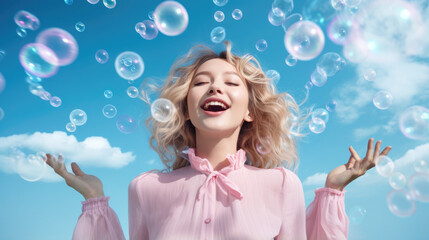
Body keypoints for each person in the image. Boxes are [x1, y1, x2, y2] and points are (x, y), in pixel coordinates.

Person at [45, 41, 392, 240]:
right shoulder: (146, 187)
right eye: (202, 82)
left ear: (249, 112)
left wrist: (333, 190)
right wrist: (95, 201)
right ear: (184, 108)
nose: (215, 87)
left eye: (231, 82)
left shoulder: (282, 183)